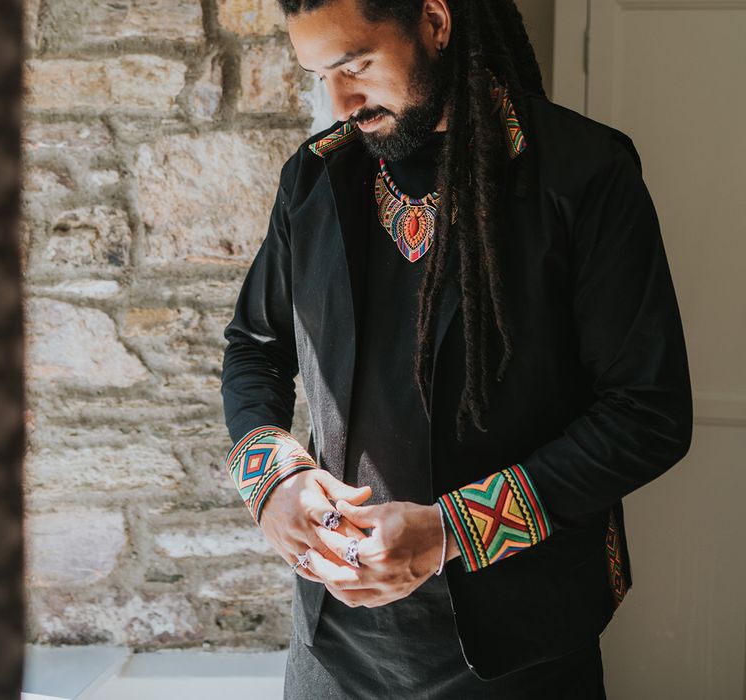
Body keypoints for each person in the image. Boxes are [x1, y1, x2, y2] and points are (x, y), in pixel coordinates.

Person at [220, 0, 693, 697]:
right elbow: (254, 348)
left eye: (355, 66)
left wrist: (451, 531)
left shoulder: (584, 174)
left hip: (522, 641)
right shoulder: (315, 179)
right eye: (320, 74)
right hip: (332, 650)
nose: (339, 100)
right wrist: (273, 481)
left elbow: (647, 413)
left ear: (436, 23)